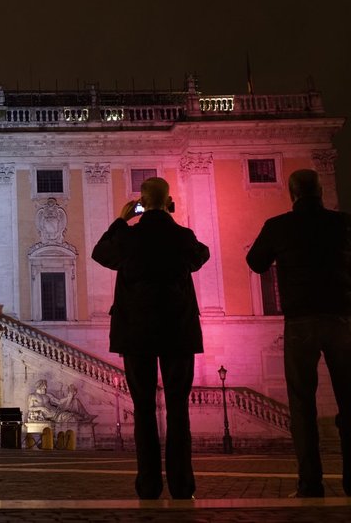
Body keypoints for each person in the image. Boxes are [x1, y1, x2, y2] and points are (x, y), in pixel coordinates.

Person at [247, 168, 351, 497]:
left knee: (301, 404)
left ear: (292, 194)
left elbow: (255, 261)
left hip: (301, 320)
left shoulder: (278, 226)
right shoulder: (344, 222)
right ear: (319, 191)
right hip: (340, 318)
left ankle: (310, 483)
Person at [91, 177, 209, 500]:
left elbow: (100, 253)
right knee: (178, 409)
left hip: (136, 333)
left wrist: (121, 219)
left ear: (140, 202)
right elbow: (202, 256)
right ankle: (182, 486)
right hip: (178, 332)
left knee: (143, 410)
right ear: (169, 201)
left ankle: (148, 485)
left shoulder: (128, 237)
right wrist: (170, 219)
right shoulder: (182, 237)